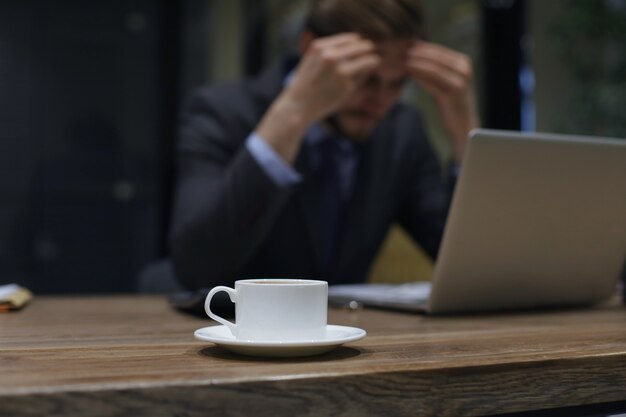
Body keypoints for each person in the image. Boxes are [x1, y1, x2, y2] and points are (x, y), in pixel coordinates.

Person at [170, 0, 479, 290]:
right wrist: (293, 114)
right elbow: (196, 267)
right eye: (365, 78)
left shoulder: (401, 130)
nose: (380, 101)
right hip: (230, 328)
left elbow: (467, 264)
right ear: (309, 48)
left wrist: (466, 133)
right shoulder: (221, 111)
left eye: (397, 83)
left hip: (348, 335)